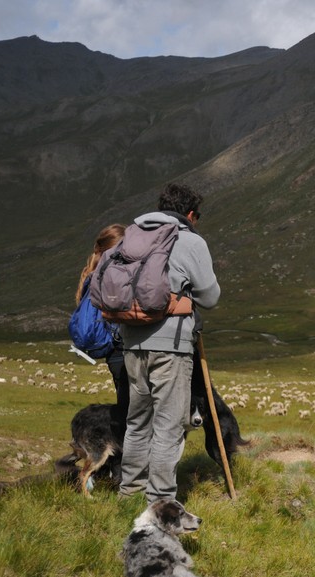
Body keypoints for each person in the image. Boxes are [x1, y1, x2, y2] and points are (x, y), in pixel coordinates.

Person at [119, 183, 220, 504]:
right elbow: (210, 296)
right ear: (190, 214)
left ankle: (129, 491)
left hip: (132, 342)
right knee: (169, 424)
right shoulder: (189, 239)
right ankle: (160, 501)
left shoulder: (132, 234)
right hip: (172, 346)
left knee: (137, 421)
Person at [76, 224, 129, 417]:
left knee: (126, 408)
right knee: (134, 412)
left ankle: (125, 445)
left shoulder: (91, 275)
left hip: (112, 352)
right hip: (122, 347)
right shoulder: (109, 275)